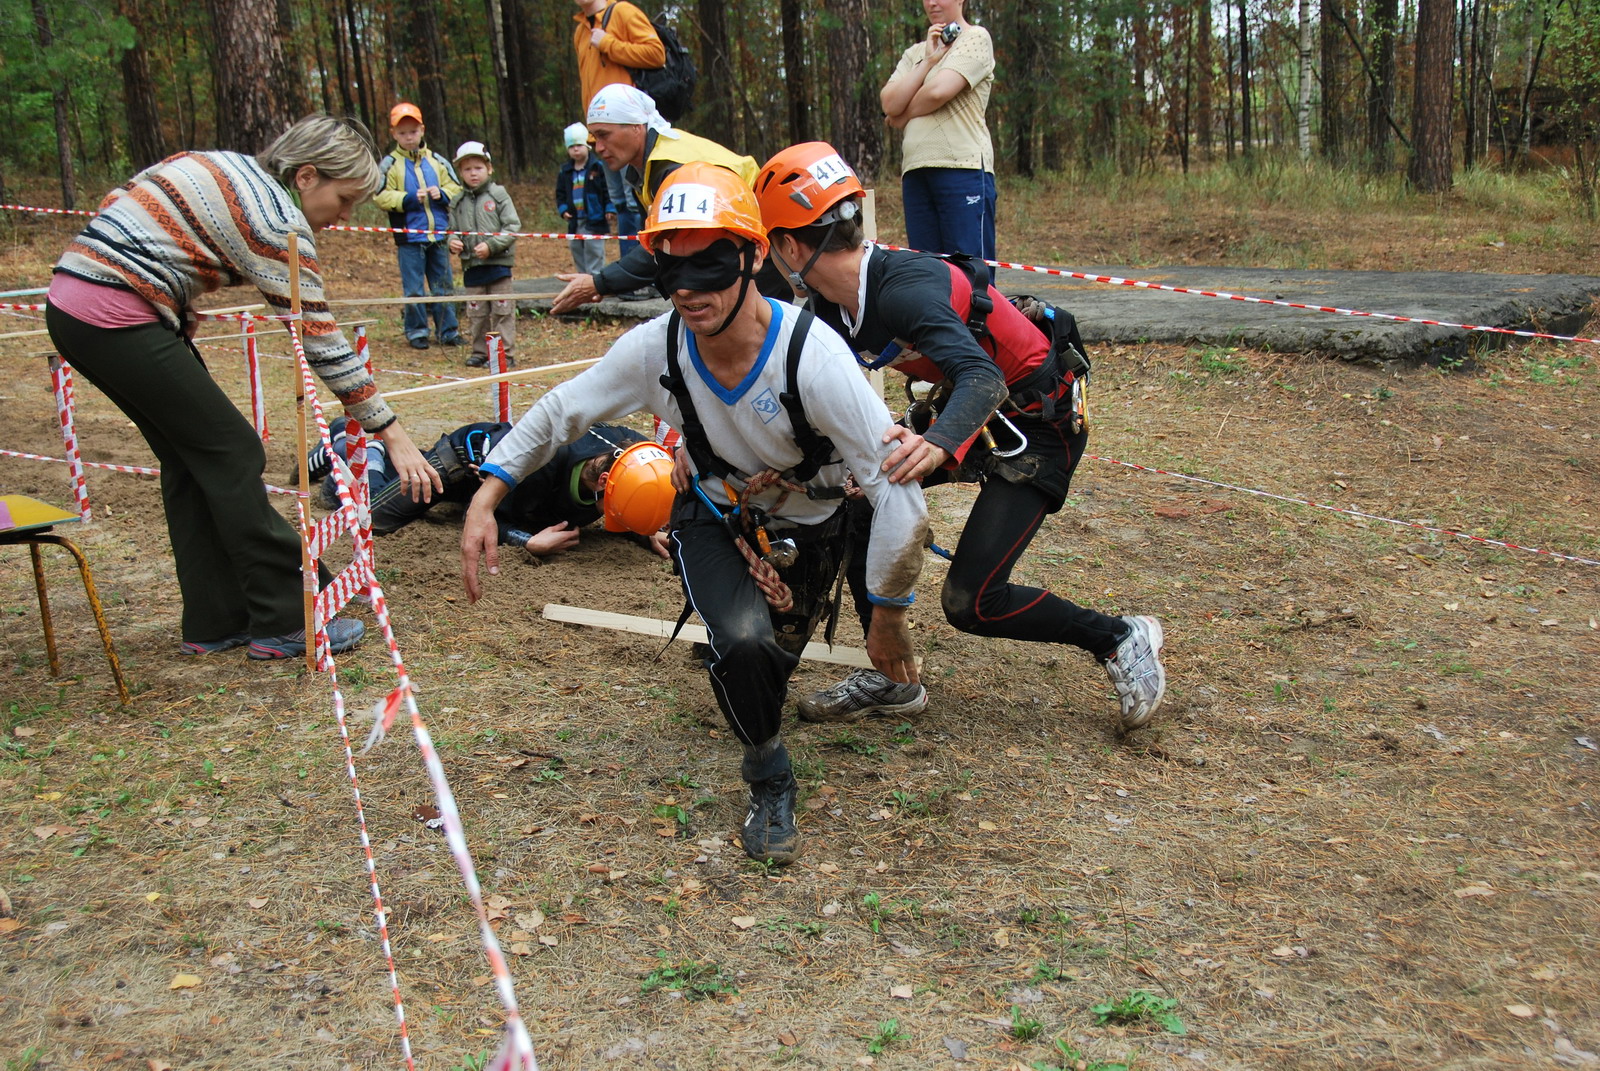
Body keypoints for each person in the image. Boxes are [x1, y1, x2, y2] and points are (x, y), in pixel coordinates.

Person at [462, 164, 928, 865]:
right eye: (668, 269)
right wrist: (487, 493)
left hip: (814, 524)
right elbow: (565, 407)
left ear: (752, 256)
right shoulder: (659, 347)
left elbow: (898, 491)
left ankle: (755, 681)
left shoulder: (814, 358)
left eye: (708, 264)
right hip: (714, 512)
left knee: (767, 660)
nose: (687, 289)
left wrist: (887, 612)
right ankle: (768, 772)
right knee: (741, 642)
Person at [752, 141, 1167, 732]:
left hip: (1038, 425)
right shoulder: (830, 309)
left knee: (972, 602)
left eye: (768, 244)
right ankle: (895, 683)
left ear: (789, 246)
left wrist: (939, 442)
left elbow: (983, 376)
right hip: (975, 416)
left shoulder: (901, 290)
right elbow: (816, 400)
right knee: (864, 496)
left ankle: (1121, 638)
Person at [44, 114, 444, 662]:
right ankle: (287, 616)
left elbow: (127, 199)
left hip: (75, 302)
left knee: (193, 459)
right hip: (115, 316)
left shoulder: (221, 164)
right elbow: (319, 338)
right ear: (306, 177)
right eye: (345, 199)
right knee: (232, 451)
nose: (346, 215)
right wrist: (390, 432)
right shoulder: (280, 223)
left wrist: (168, 293)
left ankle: (216, 618)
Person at [310, 421, 672, 559]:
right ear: (604, 482)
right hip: (463, 463)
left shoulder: (634, 451)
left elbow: (640, 490)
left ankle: (393, 458)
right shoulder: (538, 469)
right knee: (372, 518)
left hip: (508, 471)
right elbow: (482, 515)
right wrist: (524, 541)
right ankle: (356, 448)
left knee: (409, 474)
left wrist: (643, 526)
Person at [550, 83, 761, 313]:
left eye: (604, 135)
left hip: (762, 240)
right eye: (593, 139)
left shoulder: (670, 167)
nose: (598, 148)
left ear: (636, 127)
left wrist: (599, 283)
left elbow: (667, 243)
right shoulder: (649, 166)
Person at [880, 0, 997, 260]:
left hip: (962, 168)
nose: (932, 2)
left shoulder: (975, 38)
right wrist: (928, 61)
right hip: (916, 171)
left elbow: (938, 92)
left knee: (970, 273)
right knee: (928, 275)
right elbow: (889, 101)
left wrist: (902, 115)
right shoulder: (915, 53)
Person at [571, 0, 665, 263]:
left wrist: (608, 44)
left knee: (636, 200)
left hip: (628, 130)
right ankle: (631, 273)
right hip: (601, 134)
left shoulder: (622, 12)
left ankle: (648, 272)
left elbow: (656, 54)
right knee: (621, 203)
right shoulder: (580, 31)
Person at [375, 103, 464, 351]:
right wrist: (409, 199)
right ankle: (416, 331)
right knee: (413, 288)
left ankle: (448, 330)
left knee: (443, 285)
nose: (409, 137)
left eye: (413, 131)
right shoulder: (389, 165)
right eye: (402, 133)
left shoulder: (437, 161)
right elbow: (380, 196)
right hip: (409, 238)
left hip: (439, 236)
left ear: (422, 130)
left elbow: (457, 189)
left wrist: (442, 193)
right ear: (394, 134)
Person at [447, 141, 521, 370]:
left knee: (502, 310)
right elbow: (450, 231)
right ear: (460, 172)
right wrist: (453, 242)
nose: (473, 173)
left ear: (488, 168)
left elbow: (512, 227)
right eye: (467, 169)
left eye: (478, 168)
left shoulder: (498, 195)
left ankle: (504, 353)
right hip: (472, 267)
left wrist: (492, 246)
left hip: (498, 265)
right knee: (477, 312)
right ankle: (479, 351)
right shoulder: (457, 202)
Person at [556, 123, 611, 279]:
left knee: (594, 248)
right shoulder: (565, 171)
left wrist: (609, 208)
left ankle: (595, 278)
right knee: (576, 247)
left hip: (594, 217)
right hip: (574, 219)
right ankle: (582, 277)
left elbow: (607, 190)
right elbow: (559, 193)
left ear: (587, 146)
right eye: (571, 146)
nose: (576, 149)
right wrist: (563, 209)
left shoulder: (597, 167)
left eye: (579, 145)